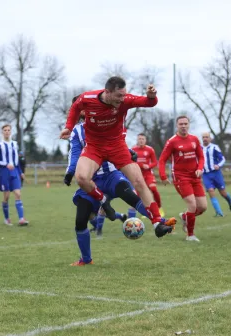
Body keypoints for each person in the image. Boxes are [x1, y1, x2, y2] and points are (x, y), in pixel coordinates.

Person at [59, 76, 172, 237]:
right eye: (119, 96)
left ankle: (157, 223)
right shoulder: (88, 98)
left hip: (116, 146)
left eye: (124, 95)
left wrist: (151, 96)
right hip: (94, 146)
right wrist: (69, 127)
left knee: (139, 181)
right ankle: (103, 200)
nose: (122, 99)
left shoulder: (125, 100)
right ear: (107, 92)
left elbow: (148, 103)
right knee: (82, 178)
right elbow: (75, 108)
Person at [65, 101, 175, 265]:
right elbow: (74, 155)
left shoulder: (106, 123)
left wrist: (129, 152)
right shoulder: (76, 132)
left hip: (111, 175)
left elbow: (117, 142)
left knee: (129, 195)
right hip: (91, 180)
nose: (84, 110)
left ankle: (159, 222)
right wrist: (69, 172)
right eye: (80, 108)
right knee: (81, 220)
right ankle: (86, 259)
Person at [158, 116, 206, 242]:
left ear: (189, 124)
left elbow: (201, 157)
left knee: (203, 207)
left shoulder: (194, 139)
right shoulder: (172, 141)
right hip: (180, 177)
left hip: (195, 177)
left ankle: (185, 216)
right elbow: (162, 160)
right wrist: (163, 176)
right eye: (181, 124)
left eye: (185, 123)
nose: (183, 126)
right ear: (177, 125)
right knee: (192, 205)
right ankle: (190, 235)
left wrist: (200, 168)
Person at [0, 124, 29, 226]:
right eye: (5, 130)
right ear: (2, 132)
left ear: (10, 132)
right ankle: (7, 218)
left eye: (9, 130)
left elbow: (16, 161)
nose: (7, 132)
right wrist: (5, 164)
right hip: (4, 172)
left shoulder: (15, 144)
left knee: (18, 194)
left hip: (15, 172)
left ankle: (21, 219)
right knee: (7, 196)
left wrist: (21, 172)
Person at [201, 132, 231, 217]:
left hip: (216, 174)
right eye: (203, 137)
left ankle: (230, 202)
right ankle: (219, 212)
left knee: (223, 193)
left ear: (210, 138)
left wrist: (218, 165)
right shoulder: (199, 148)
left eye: (207, 137)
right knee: (211, 191)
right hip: (206, 175)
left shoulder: (214, 147)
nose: (205, 139)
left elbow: (222, 159)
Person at [131, 133, 163, 214]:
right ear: (137, 140)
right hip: (137, 175)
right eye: (139, 139)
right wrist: (140, 165)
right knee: (138, 194)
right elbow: (130, 162)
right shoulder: (133, 149)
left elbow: (155, 162)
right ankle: (146, 211)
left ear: (145, 140)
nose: (141, 141)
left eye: (142, 139)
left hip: (148, 174)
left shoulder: (150, 149)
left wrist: (148, 166)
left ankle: (159, 207)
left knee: (153, 189)